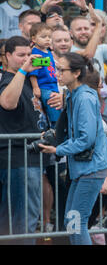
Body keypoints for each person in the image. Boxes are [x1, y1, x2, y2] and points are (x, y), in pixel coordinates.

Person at [38, 52, 107, 245]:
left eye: (61, 70)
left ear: (76, 73)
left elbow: (86, 139)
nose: (57, 74)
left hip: (91, 168)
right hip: (83, 167)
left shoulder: (84, 98)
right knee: (72, 221)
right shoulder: (74, 95)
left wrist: (57, 150)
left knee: (76, 222)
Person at [0, 36, 50, 244]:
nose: (27, 60)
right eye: (21, 56)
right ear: (7, 56)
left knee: (17, 220)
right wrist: (22, 71)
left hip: (29, 158)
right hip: (19, 159)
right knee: (23, 221)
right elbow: (7, 103)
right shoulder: (9, 79)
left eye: (30, 55)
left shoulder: (29, 80)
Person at [28, 23, 61, 128]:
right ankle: (55, 126)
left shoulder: (48, 52)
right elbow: (33, 72)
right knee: (52, 104)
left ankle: (58, 124)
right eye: (43, 37)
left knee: (57, 105)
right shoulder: (36, 52)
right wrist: (36, 87)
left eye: (49, 37)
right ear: (33, 38)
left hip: (53, 86)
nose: (47, 39)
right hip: (44, 87)